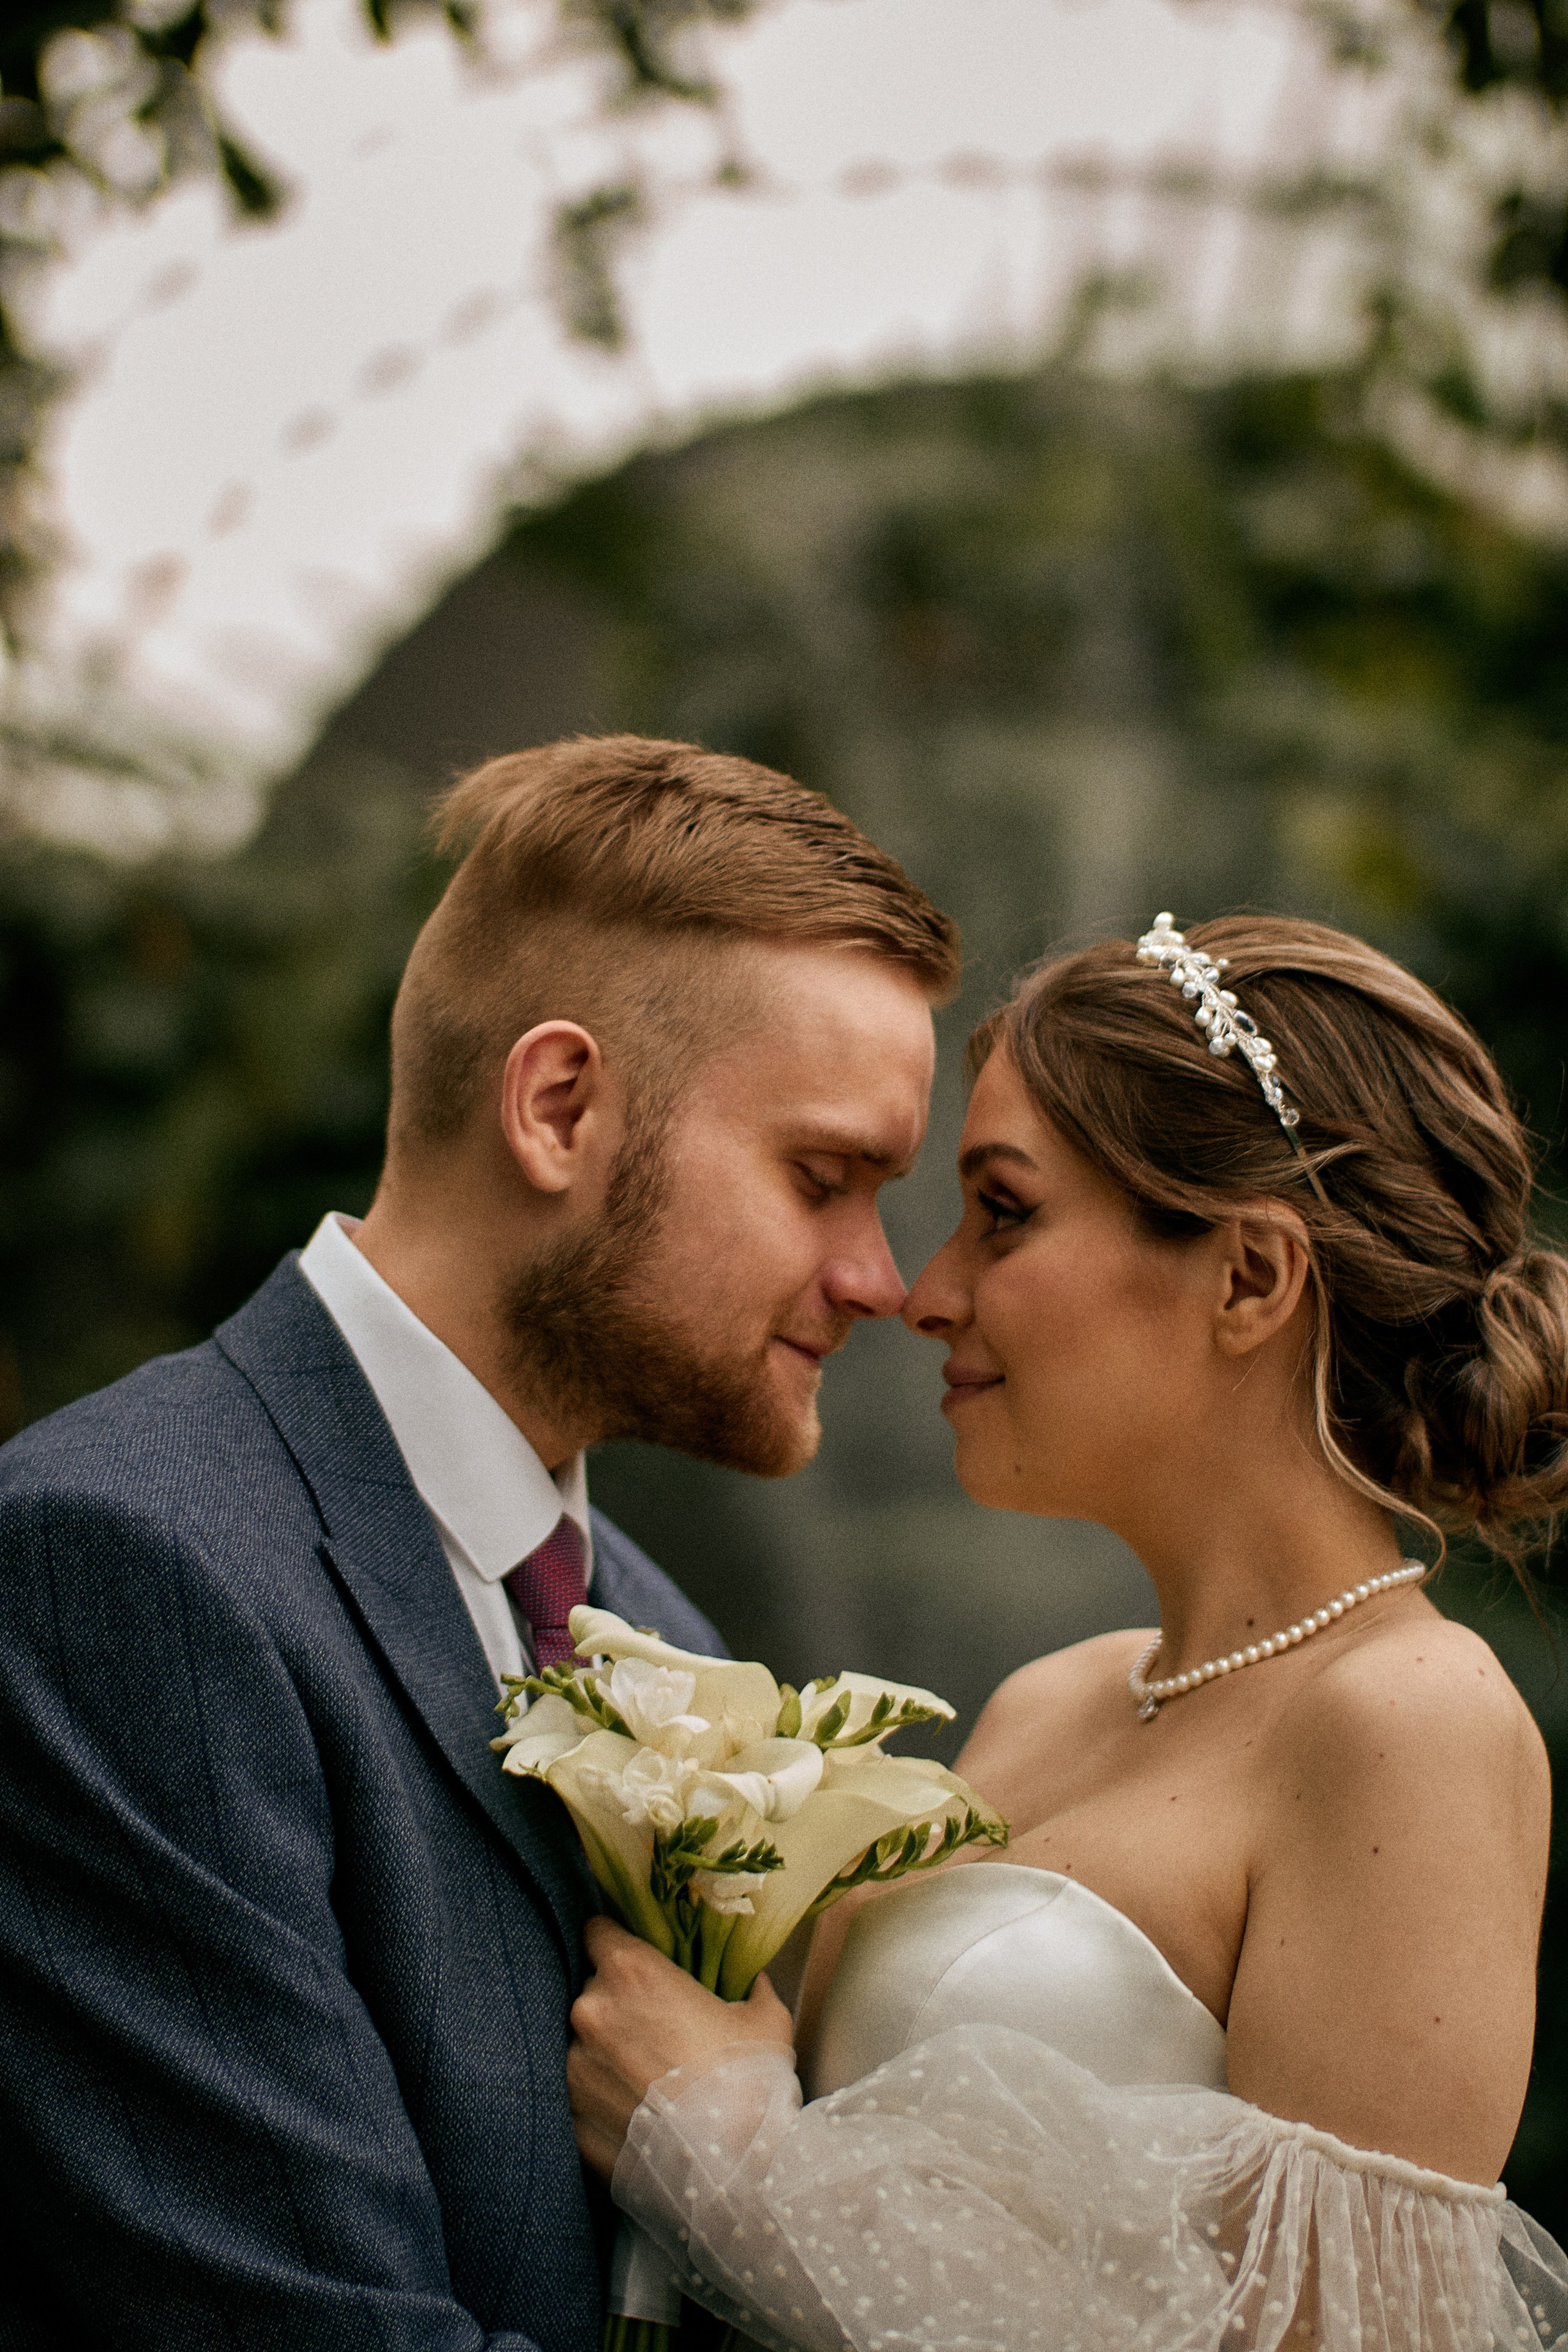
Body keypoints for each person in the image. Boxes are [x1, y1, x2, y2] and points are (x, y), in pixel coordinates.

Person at [0, 735, 960, 2351]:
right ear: (560, 1105)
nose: (880, 1277)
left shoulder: (667, 1638)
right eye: (824, 1177)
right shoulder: (115, 1571)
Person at [568, 911, 1568, 2351]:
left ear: (1246, 1279)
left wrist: (731, 2171)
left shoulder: (1406, 1717)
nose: (925, 1294)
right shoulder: (1051, 1697)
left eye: (1005, 1212)